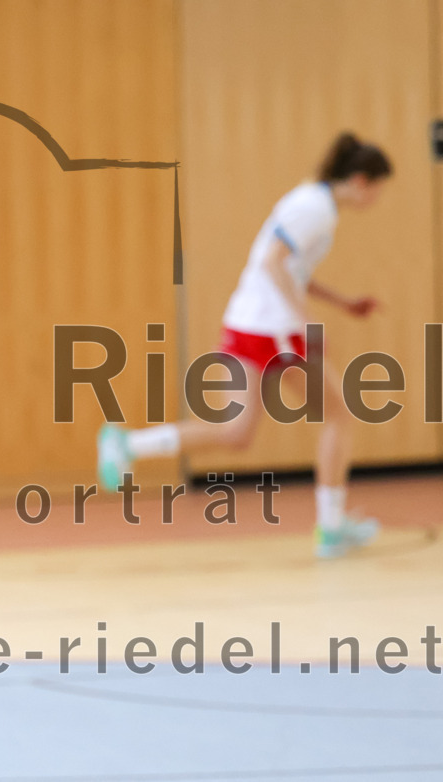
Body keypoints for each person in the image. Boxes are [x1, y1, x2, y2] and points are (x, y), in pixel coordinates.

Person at [98, 132, 392, 559]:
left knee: (236, 433)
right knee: (337, 415)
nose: (377, 199)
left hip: (249, 321)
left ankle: (128, 445)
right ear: (362, 181)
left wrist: (342, 303)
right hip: (274, 326)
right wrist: (306, 322)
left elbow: (290, 269)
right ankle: (330, 528)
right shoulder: (316, 209)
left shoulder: (312, 201)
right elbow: (273, 262)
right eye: (379, 189)